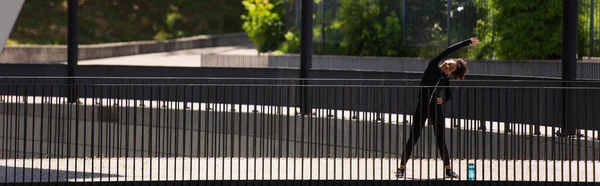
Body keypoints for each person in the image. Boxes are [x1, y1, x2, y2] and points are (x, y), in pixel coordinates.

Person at [396, 38, 479, 179]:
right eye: (450, 64)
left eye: (451, 68)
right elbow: (448, 50)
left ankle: (448, 169)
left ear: (451, 73)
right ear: (450, 60)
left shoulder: (445, 79)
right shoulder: (433, 65)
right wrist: (467, 42)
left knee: (440, 139)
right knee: (413, 138)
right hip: (422, 107)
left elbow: (448, 95)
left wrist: (443, 100)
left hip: (435, 109)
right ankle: (401, 168)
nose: (448, 66)